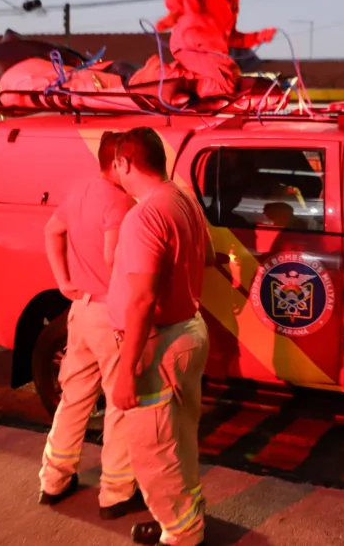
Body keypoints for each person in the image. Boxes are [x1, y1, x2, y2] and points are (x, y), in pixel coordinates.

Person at [108, 127, 214, 546]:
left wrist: (127, 370)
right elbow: (205, 254)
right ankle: (186, 519)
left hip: (159, 345)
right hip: (189, 330)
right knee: (181, 440)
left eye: (116, 163)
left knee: (155, 453)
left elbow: (141, 299)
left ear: (125, 163)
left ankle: (183, 534)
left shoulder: (144, 216)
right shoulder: (181, 197)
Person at [38, 131, 146, 520]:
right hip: (108, 313)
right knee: (119, 403)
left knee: (74, 397)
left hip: (79, 311)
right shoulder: (120, 202)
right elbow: (112, 258)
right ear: (119, 163)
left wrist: (64, 280)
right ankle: (116, 492)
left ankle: (54, 480)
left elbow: (52, 231)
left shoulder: (81, 191)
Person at [156, 0, 277, 97]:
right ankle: (159, 78)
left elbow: (230, 38)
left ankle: (186, 95)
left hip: (214, 52)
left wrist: (258, 37)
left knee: (235, 82)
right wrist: (175, 9)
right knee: (222, 86)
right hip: (194, 43)